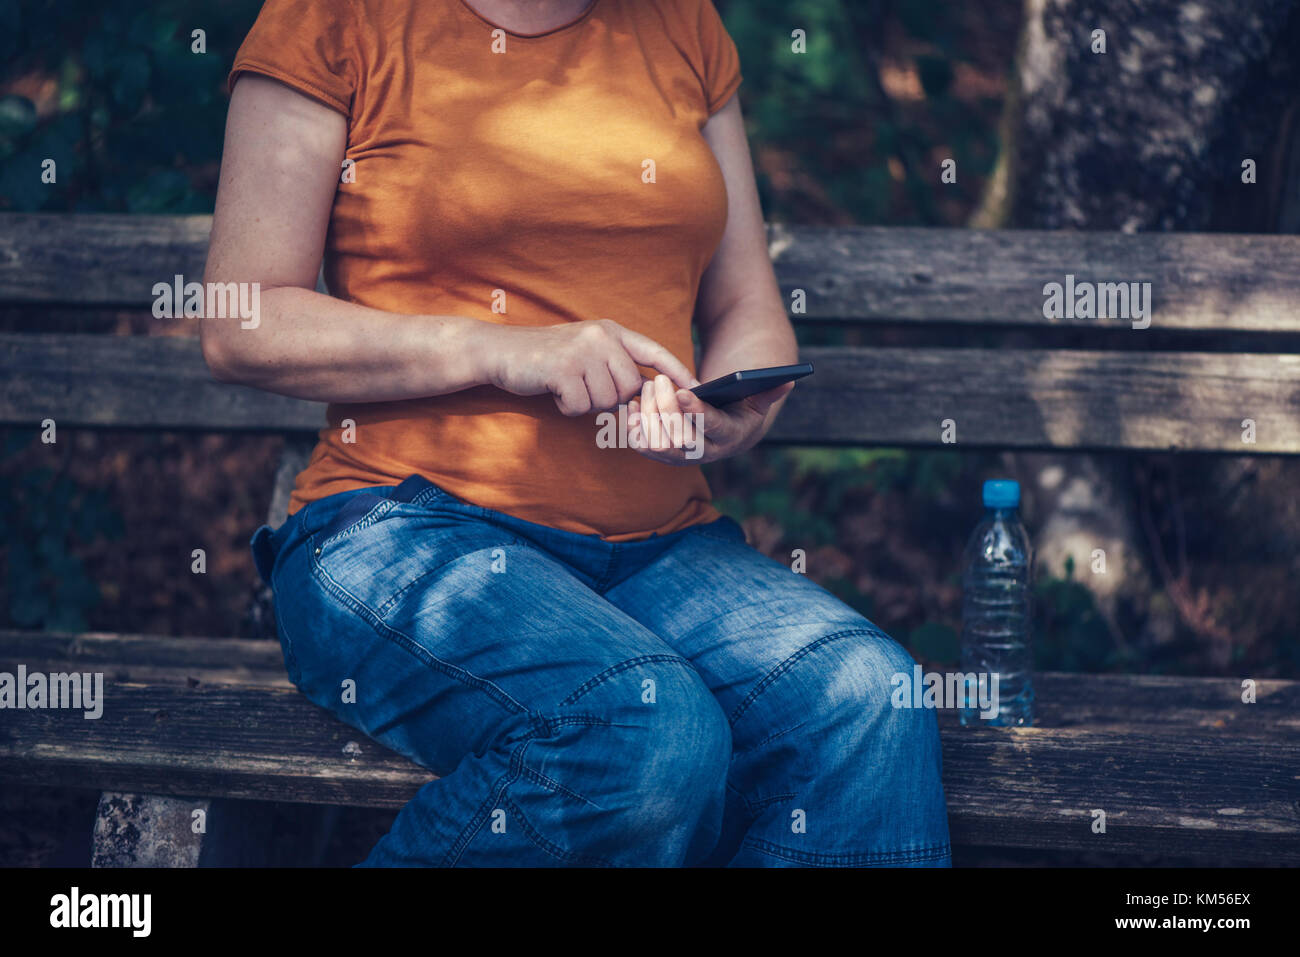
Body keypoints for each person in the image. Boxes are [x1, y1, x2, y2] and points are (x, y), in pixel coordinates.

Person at [203, 0, 950, 867]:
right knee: (641, 724)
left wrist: (724, 409)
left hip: (658, 550)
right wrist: (508, 352)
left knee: (869, 700)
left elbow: (749, 306)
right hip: (401, 526)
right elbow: (240, 320)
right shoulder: (334, 18)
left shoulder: (684, 25)